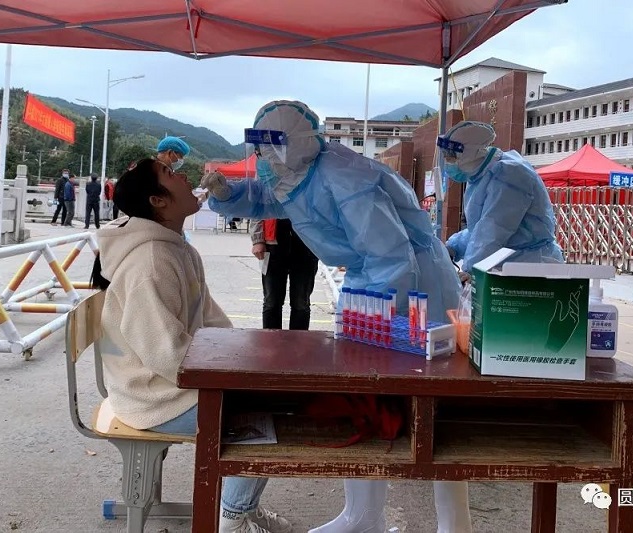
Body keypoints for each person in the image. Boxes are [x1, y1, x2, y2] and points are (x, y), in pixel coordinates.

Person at [201, 100, 469, 533]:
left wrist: (374, 323)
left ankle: (454, 526)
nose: (263, 159)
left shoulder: (346, 178)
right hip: (373, 281)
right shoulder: (301, 172)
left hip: (416, 285)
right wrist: (227, 193)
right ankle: (363, 516)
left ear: (293, 144)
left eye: (269, 148)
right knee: (365, 401)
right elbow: (271, 197)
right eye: (260, 149)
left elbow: (391, 255)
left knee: (429, 411)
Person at [90, 157, 292, 533]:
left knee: (268, 392)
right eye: (170, 174)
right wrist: (233, 378)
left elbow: (210, 319)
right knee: (262, 418)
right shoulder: (151, 261)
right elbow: (165, 353)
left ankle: (239, 509)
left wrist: (242, 355)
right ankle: (232, 518)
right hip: (153, 396)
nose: (184, 176)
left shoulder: (177, 248)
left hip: (170, 381)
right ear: (158, 201)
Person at [438, 121, 564, 282]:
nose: (448, 162)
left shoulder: (509, 174)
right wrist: (453, 247)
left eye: (451, 156)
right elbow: (478, 229)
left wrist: (472, 269)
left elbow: (493, 229)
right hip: (511, 266)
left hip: (531, 268)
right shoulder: (480, 175)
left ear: (470, 153)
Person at [251, 218, 318, 330]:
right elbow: (257, 210)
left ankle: (299, 341)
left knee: (301, 303)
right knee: (271, 302)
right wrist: (257, 240)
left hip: (306, 245)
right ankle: (271, 341)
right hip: (273, 246)